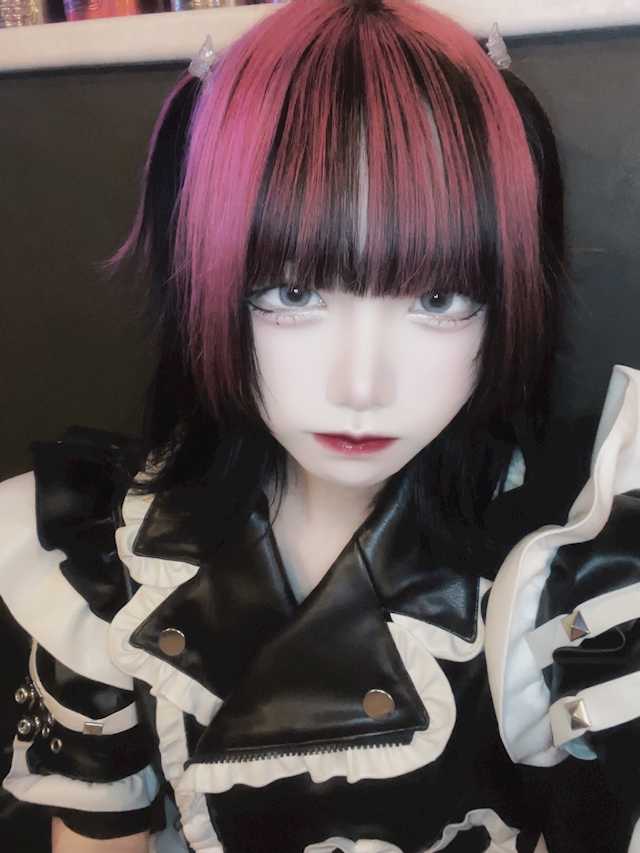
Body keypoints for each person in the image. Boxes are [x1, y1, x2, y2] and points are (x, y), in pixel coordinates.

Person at [0, 1, 639, 851]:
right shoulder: (103, 555)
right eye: (293, 292)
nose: (361, 385)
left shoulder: (577, 560)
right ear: (206, 281)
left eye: (439, 297)